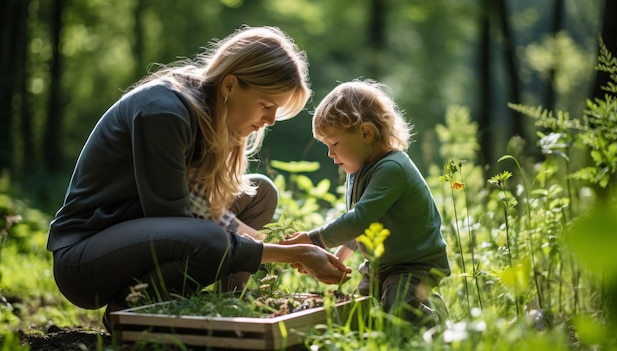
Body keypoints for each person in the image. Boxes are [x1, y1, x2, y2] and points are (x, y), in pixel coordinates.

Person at [46, 25, 350, 333]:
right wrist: (288, 254)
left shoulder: (210, 112)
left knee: (261, 194)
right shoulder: (165, 112)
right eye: (266, 105)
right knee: (209, 241)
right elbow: (181, 227)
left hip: (148, 235)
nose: (270, 120)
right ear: (230, 85)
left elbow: (199, 208)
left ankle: (226, 307)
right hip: (87, 258)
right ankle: (130, 313)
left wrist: (274, 242)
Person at [280, 79, 451, 327]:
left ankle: (436, 325)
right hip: (383, 263)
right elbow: (364, 223)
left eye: (334, 143)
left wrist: (313, 239)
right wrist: (337, 255)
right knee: (363, 309)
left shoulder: (392, 168)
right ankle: (418, 310)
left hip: (414, 264)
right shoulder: (360, 170)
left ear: (366, 133)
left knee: (397, 306)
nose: (330, 154)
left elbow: (360, 218)